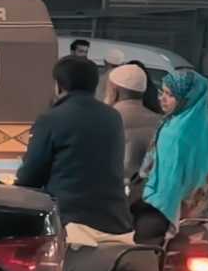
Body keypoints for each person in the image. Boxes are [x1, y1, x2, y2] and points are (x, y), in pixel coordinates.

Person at [15, 55, 131, 235]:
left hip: (69, 220)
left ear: (59, 86)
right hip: (113, 219)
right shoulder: (113, 117)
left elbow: (31, 175)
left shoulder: (51, 118)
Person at [134, 70, 208, 243]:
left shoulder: (173, 131)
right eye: (162, 92)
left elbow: (167, 182)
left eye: (170, 95)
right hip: (201, 212)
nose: (162, 99)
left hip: (167, 211)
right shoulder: (206, 127)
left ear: (187, 99)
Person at [107, 63, 162, 200]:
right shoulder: (161, 122)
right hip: (151, 198)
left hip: (113, 197)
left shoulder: (103, 119)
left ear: (114, 89)